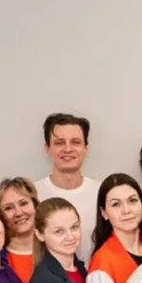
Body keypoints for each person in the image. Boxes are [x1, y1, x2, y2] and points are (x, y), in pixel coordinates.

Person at [32, 112, 101, 265]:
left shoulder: (102, 194)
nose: (68, 149)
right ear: (47, 148)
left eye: (75, 142)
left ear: (86, 148)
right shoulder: (33, 195)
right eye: (59, 143)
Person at [0, 177, 39, 283]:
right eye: (8, 208)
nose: (18, 213)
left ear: (35, 205)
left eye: (23, 203)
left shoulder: (56, 248)